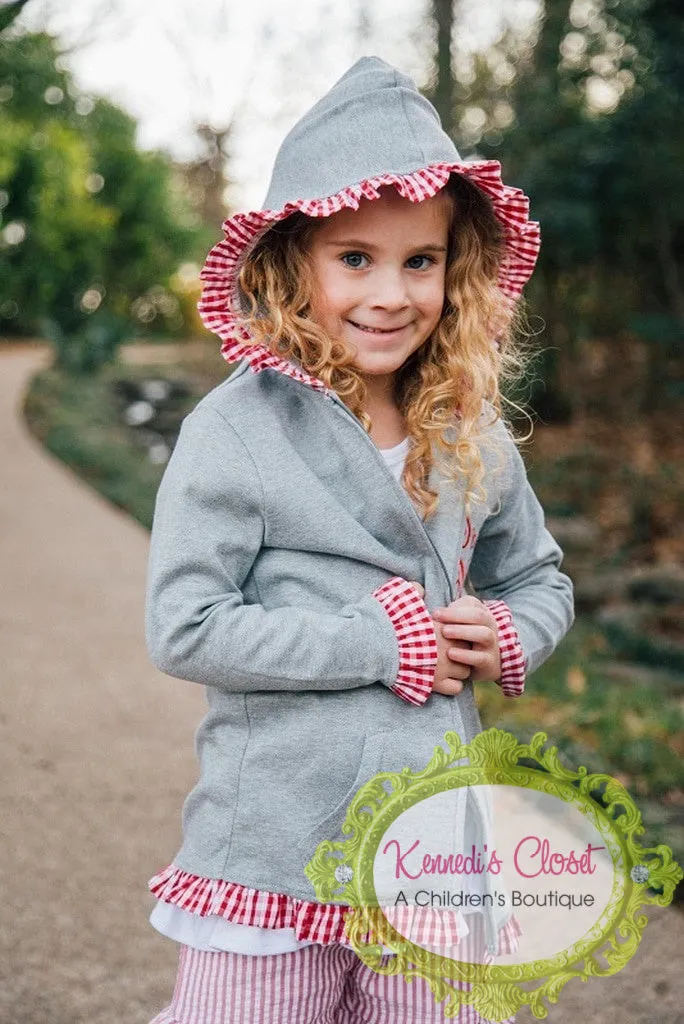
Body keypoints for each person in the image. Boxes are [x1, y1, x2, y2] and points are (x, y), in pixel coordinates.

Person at [144, 56, 574, 1024]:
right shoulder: (238, 428)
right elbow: (186, 625)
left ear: (454, 270)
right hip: (276, 838)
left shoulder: (470, 429)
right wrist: (381, 642)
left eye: (420, 261)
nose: (391, 293)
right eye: (355, 259)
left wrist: (509, 632)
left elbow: (537, 575)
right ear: (292, 261)